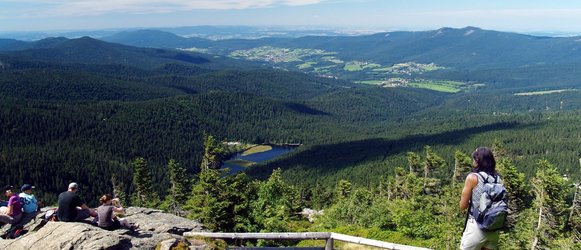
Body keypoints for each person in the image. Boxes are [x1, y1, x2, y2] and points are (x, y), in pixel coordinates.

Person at [459, 147, 501, 250]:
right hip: (493, 228)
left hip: (476, 226)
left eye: (474, 159)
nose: (473, 161)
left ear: (478, 161)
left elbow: (462, 206)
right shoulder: (498, 178)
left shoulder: (473, 177)